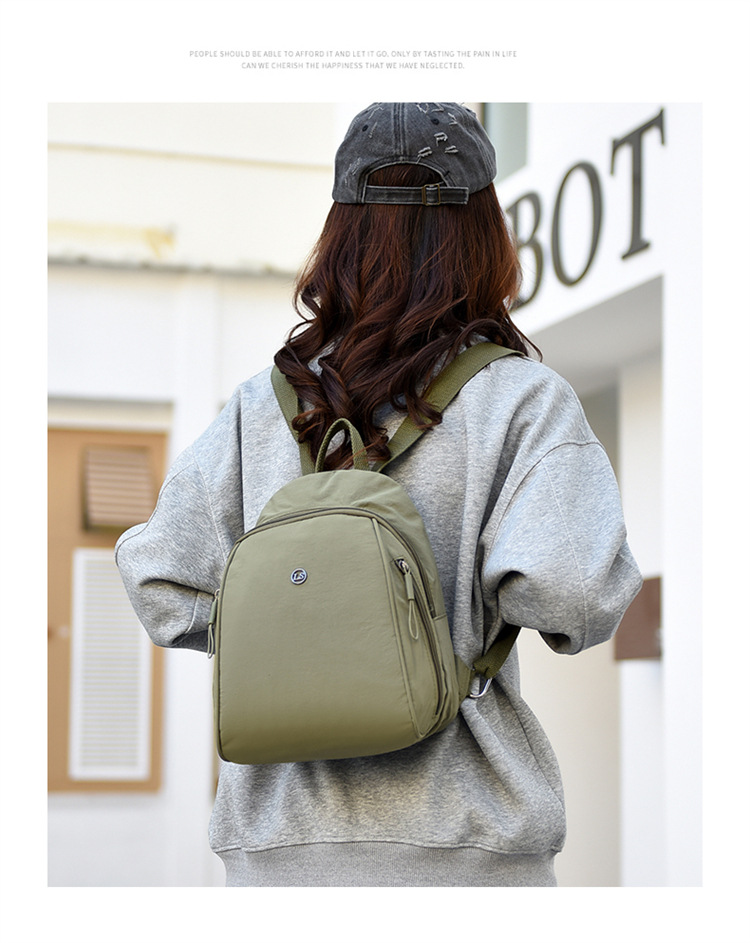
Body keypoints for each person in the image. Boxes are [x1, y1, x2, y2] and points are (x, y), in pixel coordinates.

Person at [115, 102, 642, 887]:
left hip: (278, 854)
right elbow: (572, 593)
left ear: (341, 232)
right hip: (468, 850)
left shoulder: (261, 407)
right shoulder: (523, 401)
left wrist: (302, 627)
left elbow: (161, 578)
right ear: (486, 234)